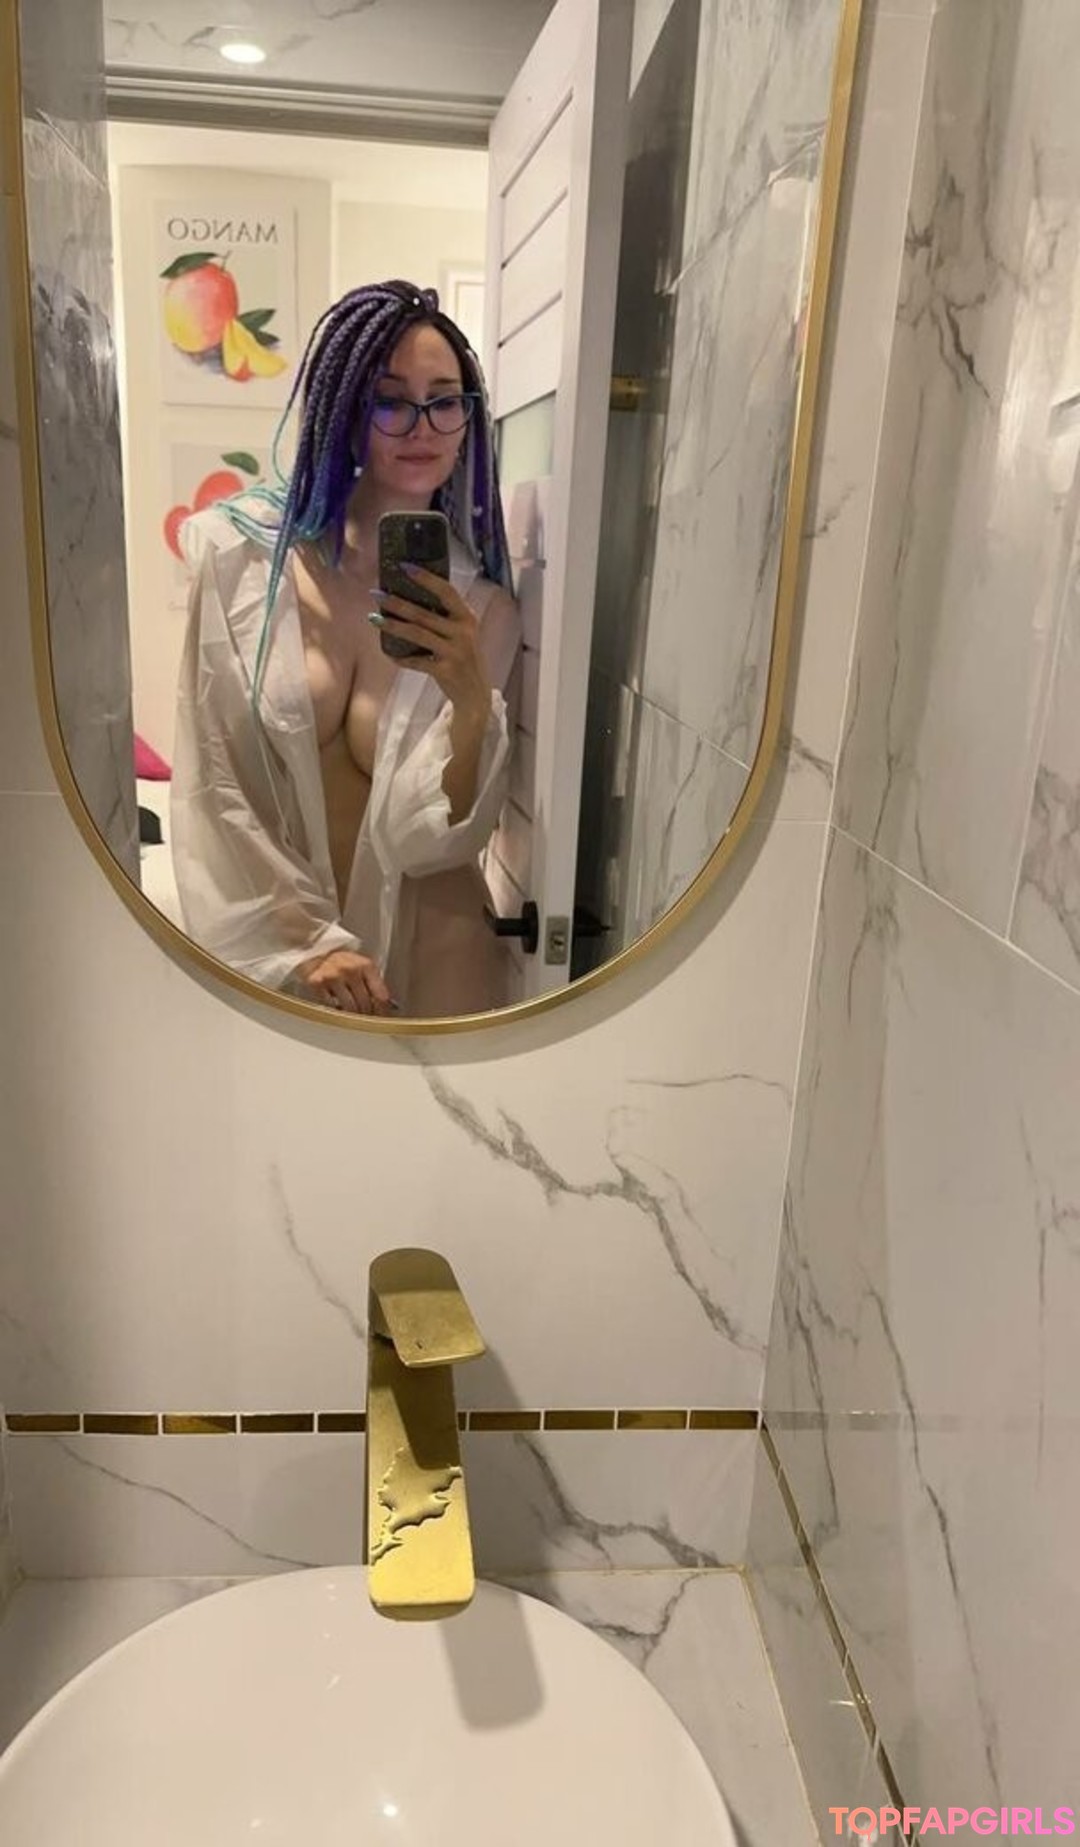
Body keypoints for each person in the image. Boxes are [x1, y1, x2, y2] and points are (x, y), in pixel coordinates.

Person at [170, 280, 520, 1017]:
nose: (421, 426)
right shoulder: (243, 567)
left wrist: (467, 701)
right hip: (287, 957)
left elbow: (433, 843)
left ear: (468, 420)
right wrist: (304, 942)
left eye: (444, 401)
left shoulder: (484, 610)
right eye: (390, 401)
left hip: (439, 958)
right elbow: (213, 781)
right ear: (344, 413)